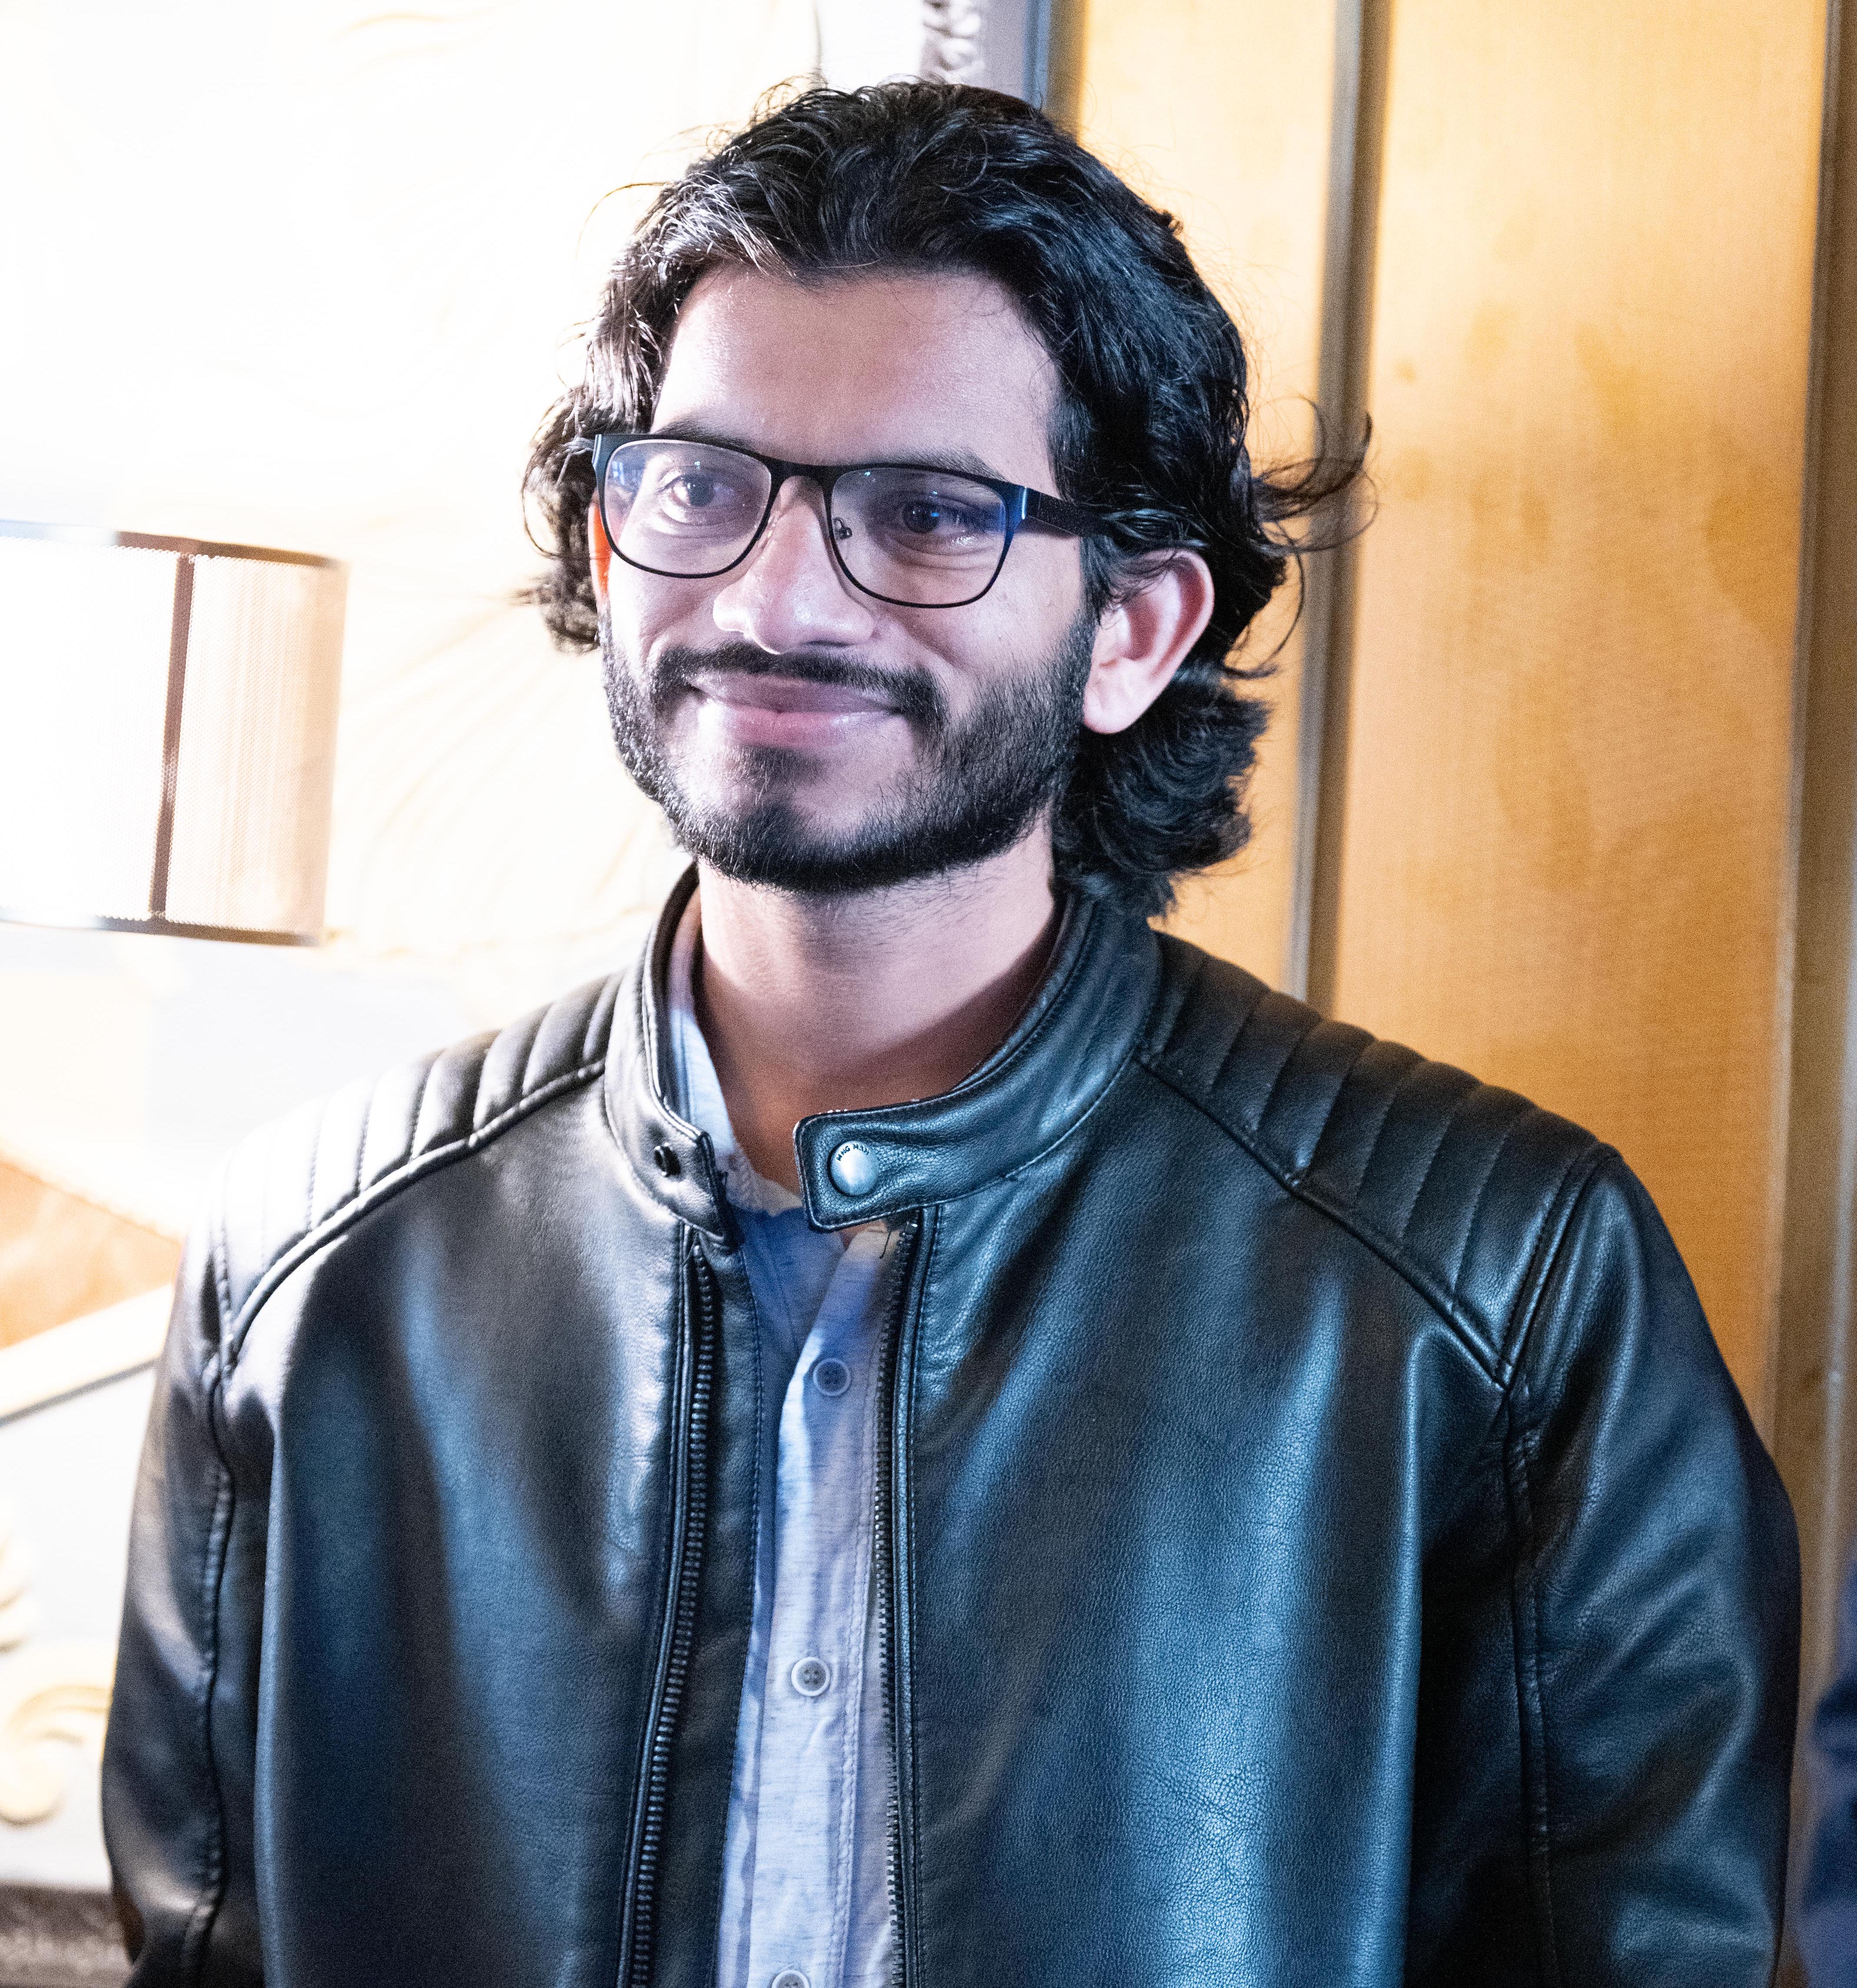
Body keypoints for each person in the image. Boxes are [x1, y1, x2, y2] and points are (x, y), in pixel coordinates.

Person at [102, 80, 1798, 1988]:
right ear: (609, 541)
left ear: (1136, 630)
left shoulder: (1503, 1283)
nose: (775, 597)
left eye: (923, 515)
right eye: (702, 486)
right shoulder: (302, 1276)